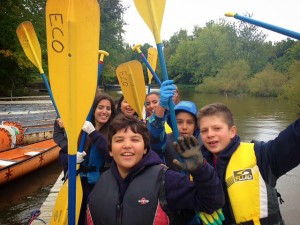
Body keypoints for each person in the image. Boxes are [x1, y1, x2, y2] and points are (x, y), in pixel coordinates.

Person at [86, 114, 224, 225]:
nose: (127, 145)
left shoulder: (166, 180)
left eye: (135, 140)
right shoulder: (101, 183)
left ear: (145, 148)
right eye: (119, 140)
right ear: (110, 150)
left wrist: (201, 170)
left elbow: (212, 202)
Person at [197, 102, 300, 225]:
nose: (210, 134)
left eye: (217, 128)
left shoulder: (261, 155)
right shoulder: (196, 166)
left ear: (232, 131)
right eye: (204, 130)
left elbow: (294, 138)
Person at [58, 93, 116, 225]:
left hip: (100, 184)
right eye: (100, 107)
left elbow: (110, 154)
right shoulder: (80, 131)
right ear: (93, 109)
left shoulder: (114, 131)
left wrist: (93, 133)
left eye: (108, 108)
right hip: (78, 183)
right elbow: (62, 156)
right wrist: (71, 160)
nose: (104, 112)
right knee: (78, 217)